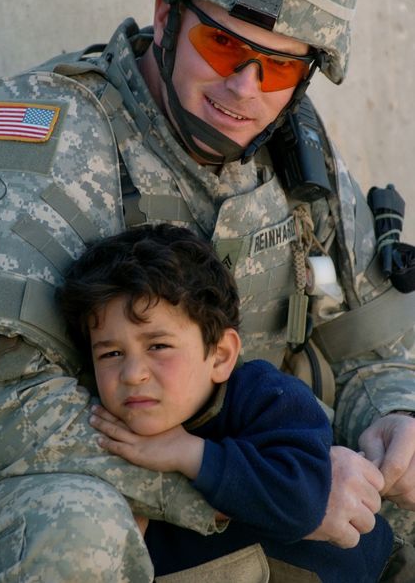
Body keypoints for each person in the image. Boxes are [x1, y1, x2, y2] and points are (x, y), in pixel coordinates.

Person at [0, 0, 415, 582]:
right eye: (223, 46)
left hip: (241, 466)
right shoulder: (41, 138)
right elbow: (3, 414)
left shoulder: (293, 155)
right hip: (39, 486)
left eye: (280, 65)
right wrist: (248, 492)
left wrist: (394, 419)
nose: (244, 88)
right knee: (80, 530)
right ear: (166, 14)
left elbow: (372, 345)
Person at [58, 221, 394, 583]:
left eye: (158, 346)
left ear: (220, 355)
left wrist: (190, 454)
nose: (132, 373)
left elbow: (305, 503)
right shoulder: (100, 423)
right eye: (111, 353)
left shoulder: (268, 399)